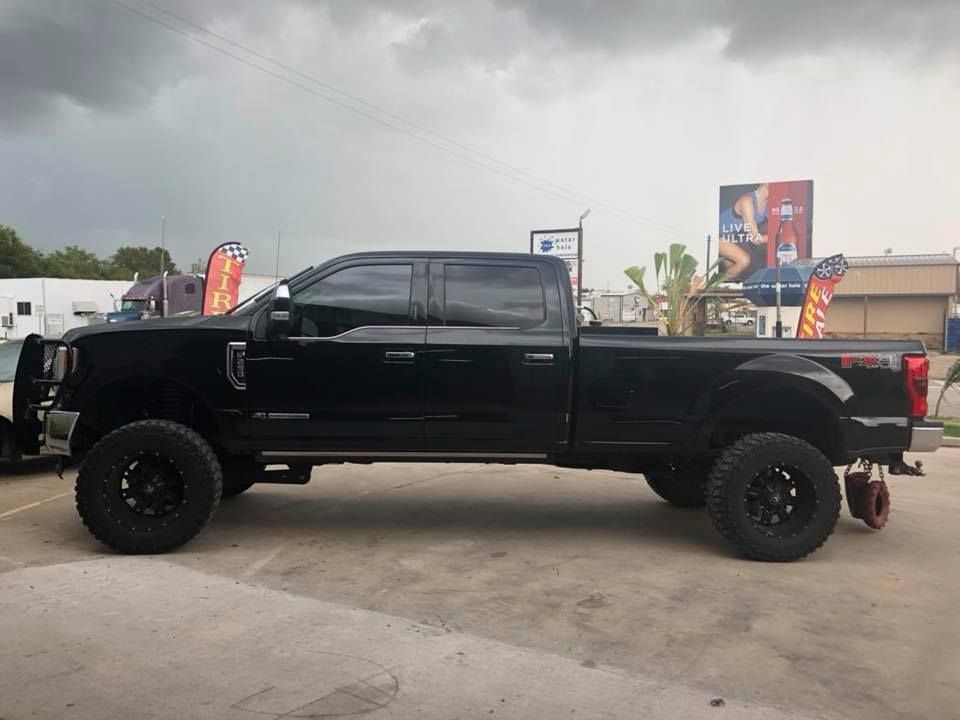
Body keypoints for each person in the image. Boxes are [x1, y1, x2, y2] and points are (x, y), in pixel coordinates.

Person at [718, 183, 769, 281]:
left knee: (732, 275)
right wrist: (777, 236)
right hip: (717, 235)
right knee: (743, 261)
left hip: (732, 238)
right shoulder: (747, 201)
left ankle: (720, 291)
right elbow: (755, 239)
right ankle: (712, 287)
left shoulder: (767, 203)